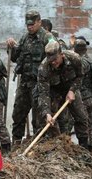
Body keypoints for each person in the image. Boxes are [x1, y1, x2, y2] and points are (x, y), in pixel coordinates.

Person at [6, 10, 55, 144]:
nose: (30, 27)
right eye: (28, 25)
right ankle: (15, 145)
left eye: (32, 24)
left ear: (39, 22)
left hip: (39, 84)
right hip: (25, 83)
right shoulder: (25, 38)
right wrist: (11, 47)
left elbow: (55, 58)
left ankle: (38, 146)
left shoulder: (47, 38)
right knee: (18, 114)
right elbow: (16, 58)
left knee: (38, 118)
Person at [37, 41, 91, 150]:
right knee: (50, 120)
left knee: (81, 117)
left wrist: (72, 90)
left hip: (70, 87)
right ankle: (58, 147)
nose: (53, 63)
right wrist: (47, 113)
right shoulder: (43, 68)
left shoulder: (74, 58)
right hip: (53, 90)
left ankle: (84, 148)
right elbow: (44, 93)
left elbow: (80, 76)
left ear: (62, 55)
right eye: (50, 60)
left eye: (55, 59)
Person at [73, 37, 92, 145]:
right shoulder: (91, 61)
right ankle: (90, 148)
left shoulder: (80, 63)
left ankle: (84, 150)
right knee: (89, 125)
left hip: (81, 98)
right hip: (90, 97)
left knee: (81, 125)